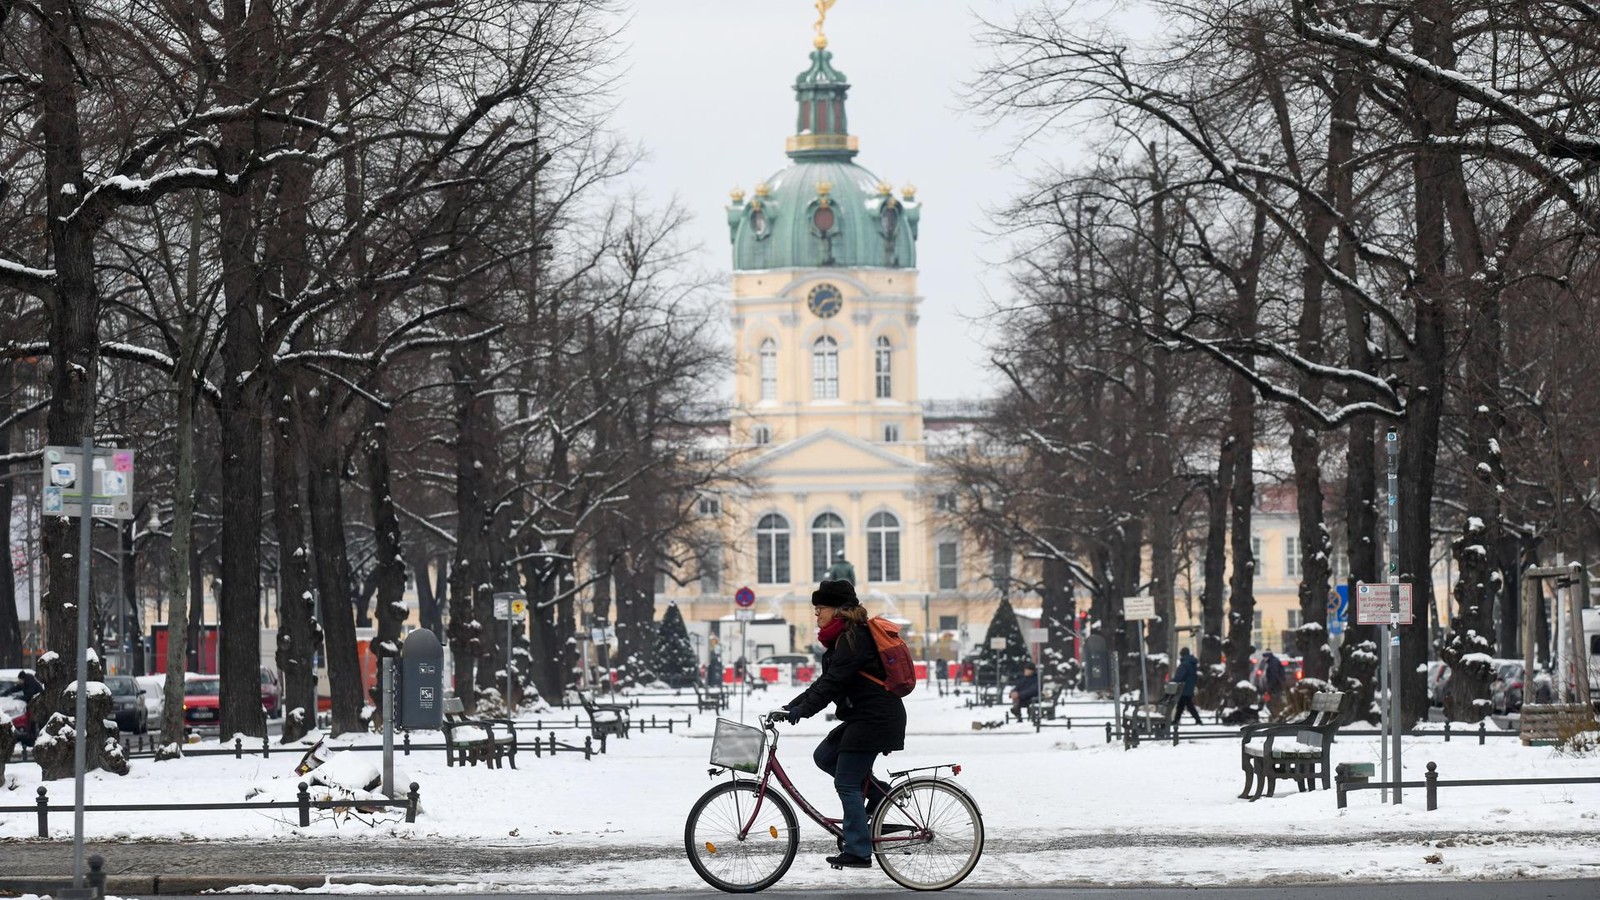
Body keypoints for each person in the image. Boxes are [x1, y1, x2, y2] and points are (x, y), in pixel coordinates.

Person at [777, 579, 906, 870]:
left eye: (820, 608)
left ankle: (859, 850)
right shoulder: (843, 638)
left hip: (876, 719)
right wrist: (793, 705)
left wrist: (804, 710)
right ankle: (879, 794)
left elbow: (834, 683)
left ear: (838, 610)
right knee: (824, 756)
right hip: (866, 717)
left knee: (846, 781)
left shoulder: (853, 638)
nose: (816, 614)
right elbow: (826, 682)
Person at [1169, 647, 1202, 725]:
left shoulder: (1185, 664)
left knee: (1189, 705)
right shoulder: (1191, 663)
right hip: (1189, 687)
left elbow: (1180, 676)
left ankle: (1198, 720)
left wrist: (1172, 682)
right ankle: (1176, 720)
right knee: (1181, 705)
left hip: (1184, 688)